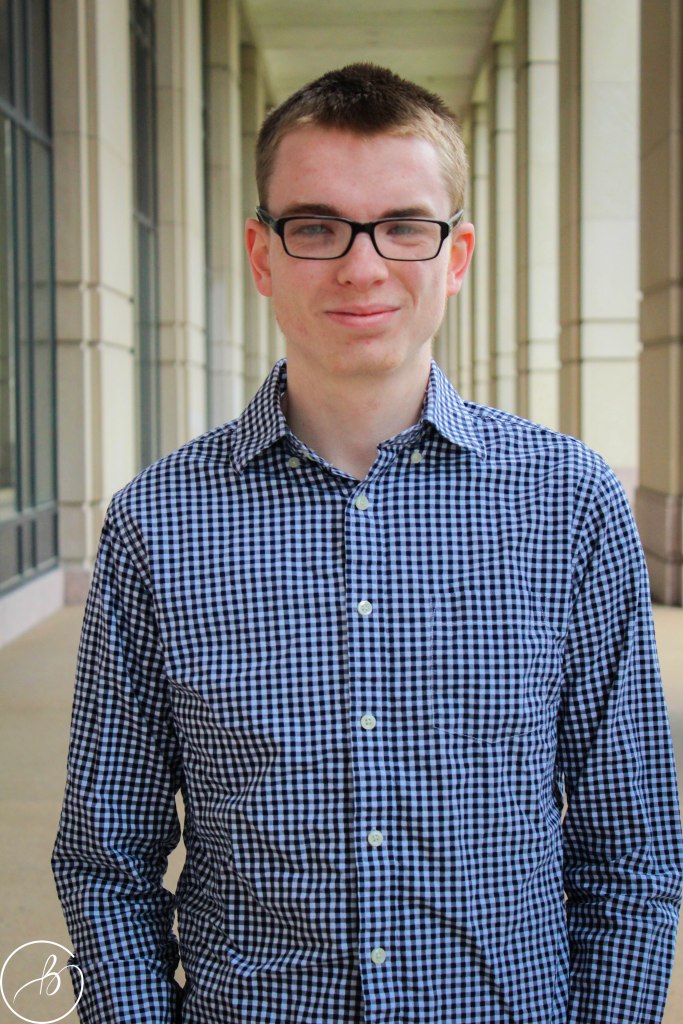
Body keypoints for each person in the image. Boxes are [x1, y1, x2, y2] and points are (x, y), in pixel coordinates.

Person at [53, 63, 683, 1024]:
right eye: (316, 226)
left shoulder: (569, 503)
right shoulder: (158, 521)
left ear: (456, 256)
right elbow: (107, 861)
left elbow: (631, 851)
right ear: (262, 255)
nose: (361, 266)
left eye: (403, 226)